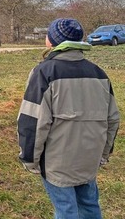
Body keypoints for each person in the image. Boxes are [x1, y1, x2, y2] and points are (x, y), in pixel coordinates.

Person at [18, 18, 120, 218]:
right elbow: (112, 120)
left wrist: (29, 158)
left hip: (58, 163)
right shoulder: (99, 74)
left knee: (66, 210)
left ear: (52, 41)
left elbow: (33, 121)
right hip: (90, 158)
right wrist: (104, 153)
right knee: (90, 206)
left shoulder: (44, 72)